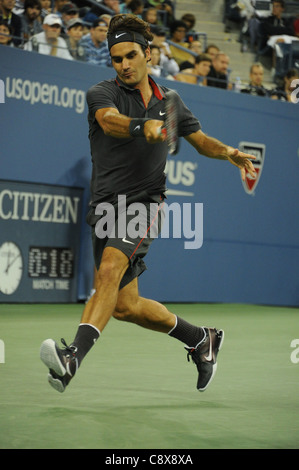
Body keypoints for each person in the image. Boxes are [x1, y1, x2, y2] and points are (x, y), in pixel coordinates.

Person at [40, 13, 256, 395]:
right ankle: (201, 338)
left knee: (108, 271)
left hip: (144, 201)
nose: (123, 64)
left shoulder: (169, 100)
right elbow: (108, 121)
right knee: (124, 306)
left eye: (130, 56)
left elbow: (199, 138)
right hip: (105, 205)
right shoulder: (100, 93)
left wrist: (229, 153)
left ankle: (72, 358)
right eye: (117, 58)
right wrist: (144, 126)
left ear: (149, 54)